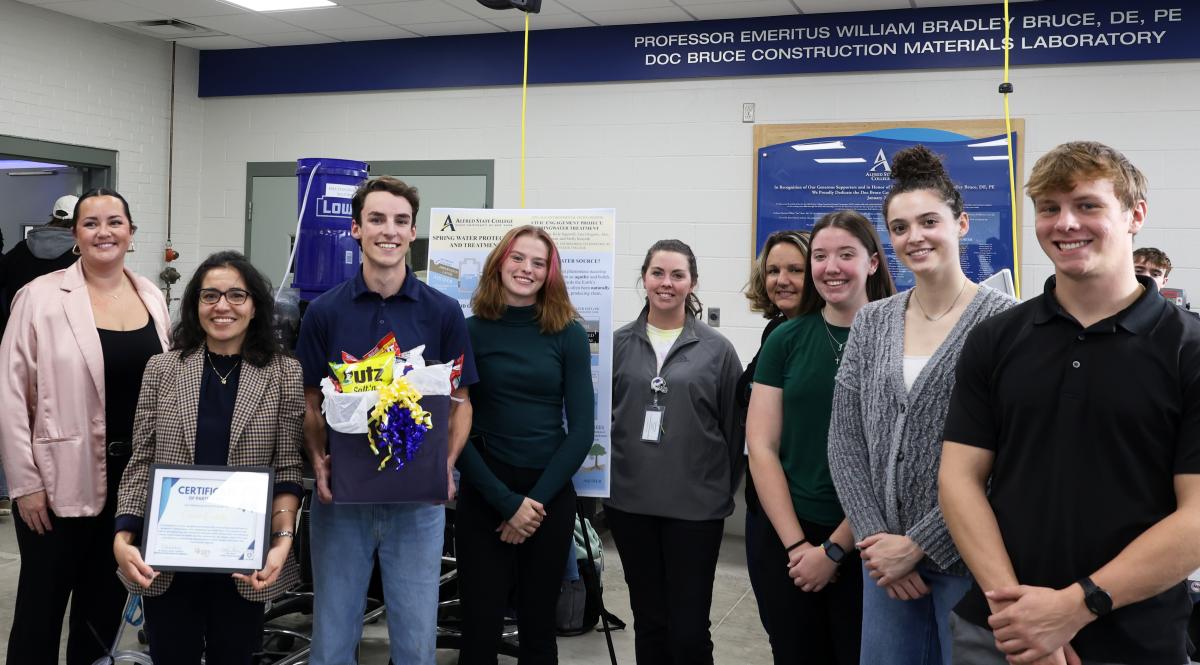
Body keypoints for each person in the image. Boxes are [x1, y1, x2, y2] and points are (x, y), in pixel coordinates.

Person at [940, 141, 1200, 665]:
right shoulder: (996, 338)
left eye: (1087, 205)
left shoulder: (1187, 349)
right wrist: (1018, 613)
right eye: (1049, 208)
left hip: (1135, 637)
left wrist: (1075, 607)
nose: (1065, 223)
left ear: (1135, 215)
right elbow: (958, 479)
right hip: (999, 630)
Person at [826, 147, 1016, 665]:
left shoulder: (1006, 324)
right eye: (900, 226)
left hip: (968, 558)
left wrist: (922, 544)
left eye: (929, 221)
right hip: (884, 565)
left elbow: (1014, 455)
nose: (915, 237)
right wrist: (875, 541)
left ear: (961, 223)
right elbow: (844, 439)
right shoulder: (873, 321)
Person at [296, 176, 478, 665]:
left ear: (413, 232)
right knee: (332, 642)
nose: (388, 231)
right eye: (376, 219)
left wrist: (447, 464)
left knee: (417, 644)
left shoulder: (442, 312)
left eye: (400, 221)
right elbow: (310, 403)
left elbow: (461, 401)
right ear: (355, 229)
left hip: (417, 506)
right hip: (342, 502)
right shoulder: (323, 312)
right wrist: (318, 462)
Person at [0, 188, 170, 665]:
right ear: (75, 235)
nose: (104, 232)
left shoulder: (151, 296)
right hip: (55, 485)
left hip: (131, 483)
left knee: (102, 611)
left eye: (115, 222)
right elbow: (11, 395)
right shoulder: (38, 297)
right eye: (91, 223)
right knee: (40, 610)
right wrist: (25, 483)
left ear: (131, 234)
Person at [111, 251, 305, 664]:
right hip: (168, 560)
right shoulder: (161, 370)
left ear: (255, 307)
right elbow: (141, 461)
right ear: (195, 304)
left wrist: (282, 541)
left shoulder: (284, 373)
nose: (222, 306)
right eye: (210, 295)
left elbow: (287, 470)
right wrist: (122, 536)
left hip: (245, 563)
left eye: (237, 295)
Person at [747, 210, 895, 664]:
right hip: (785, 533)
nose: (831, 267)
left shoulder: (901, 337)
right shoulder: (786, 338)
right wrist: (798, 546)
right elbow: (762, 447)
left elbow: (893, 457)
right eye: (821, 256)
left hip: (872, 538)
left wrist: (834, 549)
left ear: (872, 262)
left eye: (845, 255)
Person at [456, 225, 594, 664]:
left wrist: (530, 505)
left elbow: (582, 432)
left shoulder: (568, 334)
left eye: (539, 263)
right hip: (485, 492)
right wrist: (504, 502)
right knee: (479, 630)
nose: (527, 269)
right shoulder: (469, 331)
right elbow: (452, 425)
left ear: (550, 274)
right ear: (500, 262)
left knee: (539, 631)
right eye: (518, 258)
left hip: (547, 498)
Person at [606, 239, 743, 664]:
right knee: (649, 621)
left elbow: (735, 431)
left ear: (693, 282)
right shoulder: (617, 345)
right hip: (630, 506)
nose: (667, 283)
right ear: (644, 279)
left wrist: (719, 488)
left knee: (688, 630)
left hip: (696, 511)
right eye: (658, 273)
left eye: (677, 275)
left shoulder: (717, 351)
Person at [738, 229, 811, 635]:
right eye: (773, 270)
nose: (781, 279)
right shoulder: (776, 331)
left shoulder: (837, 336)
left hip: (807, 510)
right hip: (763, 502)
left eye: (795, 269)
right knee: (781, 630)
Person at [0, 193, 79, 337]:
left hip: (18, 331)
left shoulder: (21, 248)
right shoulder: (81, 254)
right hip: (62, 335)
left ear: (53, 216)